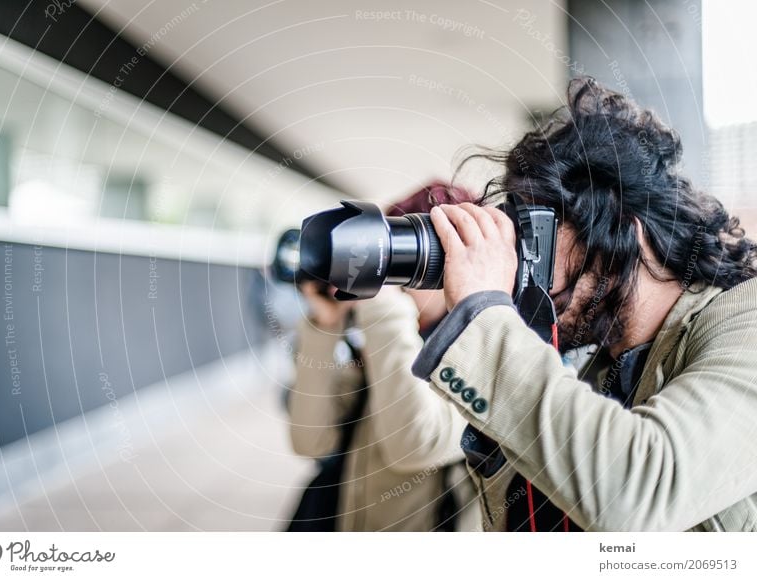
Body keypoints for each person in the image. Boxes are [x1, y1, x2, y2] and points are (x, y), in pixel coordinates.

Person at [411, 77, 757, 532]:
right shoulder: (598, 373)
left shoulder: (745, 322)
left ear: (620, 232)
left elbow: (641, 492)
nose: (522, 264)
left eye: (540, 235)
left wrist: (484, 313)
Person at [288, 183, 481, 531]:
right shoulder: (380, 343)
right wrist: (325, 325)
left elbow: (414, 447)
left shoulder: (482, 354)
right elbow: (310, 441)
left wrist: (381, 305)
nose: (393, 279)